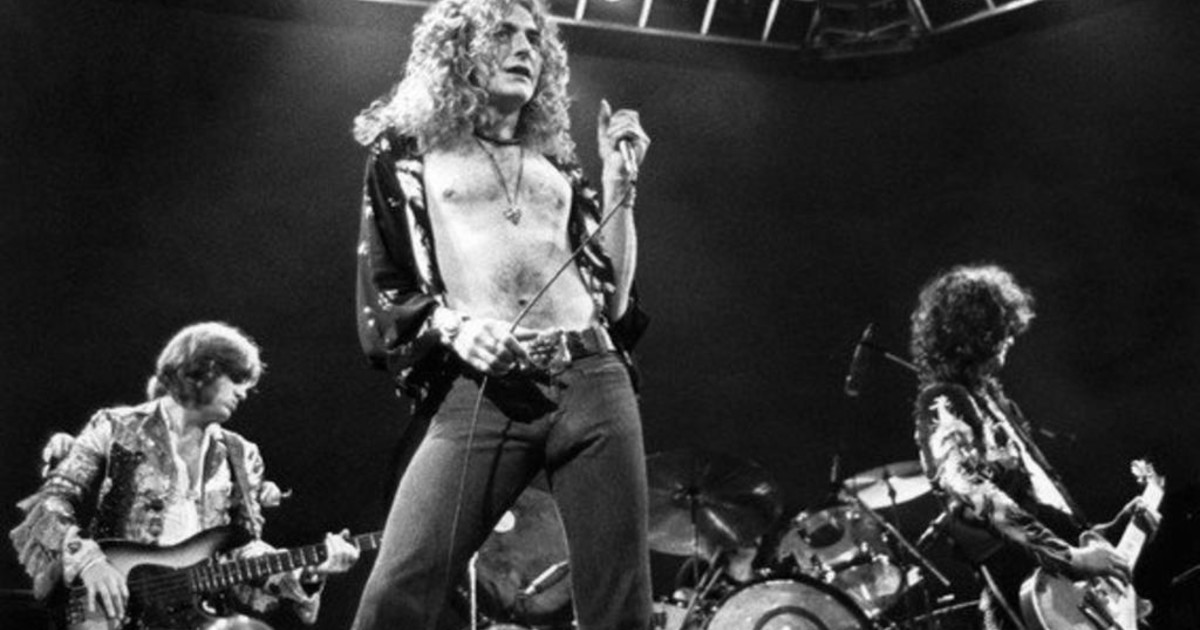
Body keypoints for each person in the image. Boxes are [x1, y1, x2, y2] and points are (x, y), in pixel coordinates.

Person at [350, 0, 652, 627]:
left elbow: (614, 299)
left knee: (621, 608)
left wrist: (619, 188)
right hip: (486, 388)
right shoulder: (407, 154)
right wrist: (456, 329)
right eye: (504, 33)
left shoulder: (557, 166)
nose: (525, 49)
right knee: (396, 593)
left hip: (593, 377)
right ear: (458, 52)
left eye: (534, 38)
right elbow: (385, 284)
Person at [9, 322, 360, 628]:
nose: (244, 392)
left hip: (197, 614)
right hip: (112, 610)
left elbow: (242, 549)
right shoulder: (115, 426)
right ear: (203, 371)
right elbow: (52, 501)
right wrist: (89, 561)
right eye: (237, 379)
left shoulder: (242, 454)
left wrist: (307, 571)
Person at [909, 264, 1158, 629]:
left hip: (1063, 577)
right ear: (973, 335)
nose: (1009, 340)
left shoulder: (994, 402)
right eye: (999, 331)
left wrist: (1102, 533)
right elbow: (972, 489)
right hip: (1026, 582)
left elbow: (1039, 501)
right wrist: (1069, 556)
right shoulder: (942, 401)